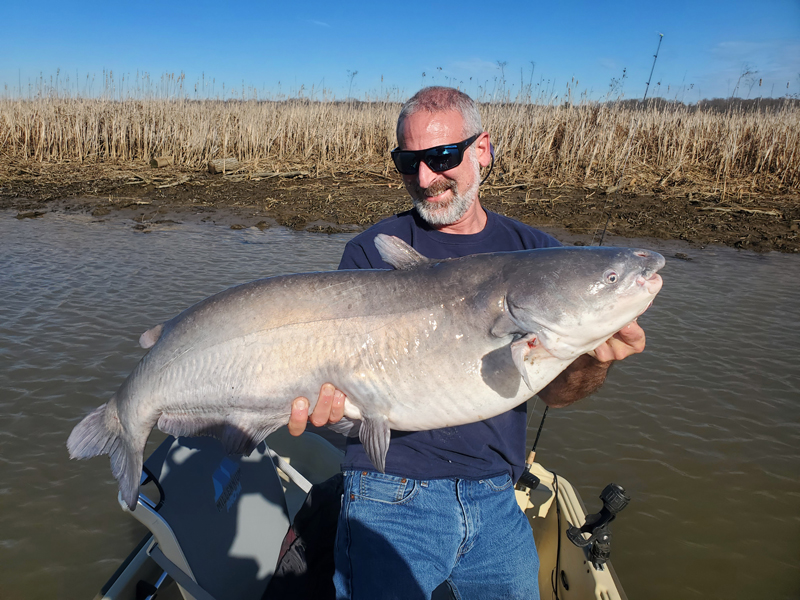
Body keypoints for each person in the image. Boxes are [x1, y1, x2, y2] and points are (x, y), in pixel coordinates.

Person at [285, 87, 646, 599]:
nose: (427, 178)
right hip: (389, 490)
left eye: (443, 157)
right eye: (408, 163)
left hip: (497, 497)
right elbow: (342, 396)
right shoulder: (371, 252)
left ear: (482, 150)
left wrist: (595, 359)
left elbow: (558, 394)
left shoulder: (536, 252)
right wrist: (327, 406)